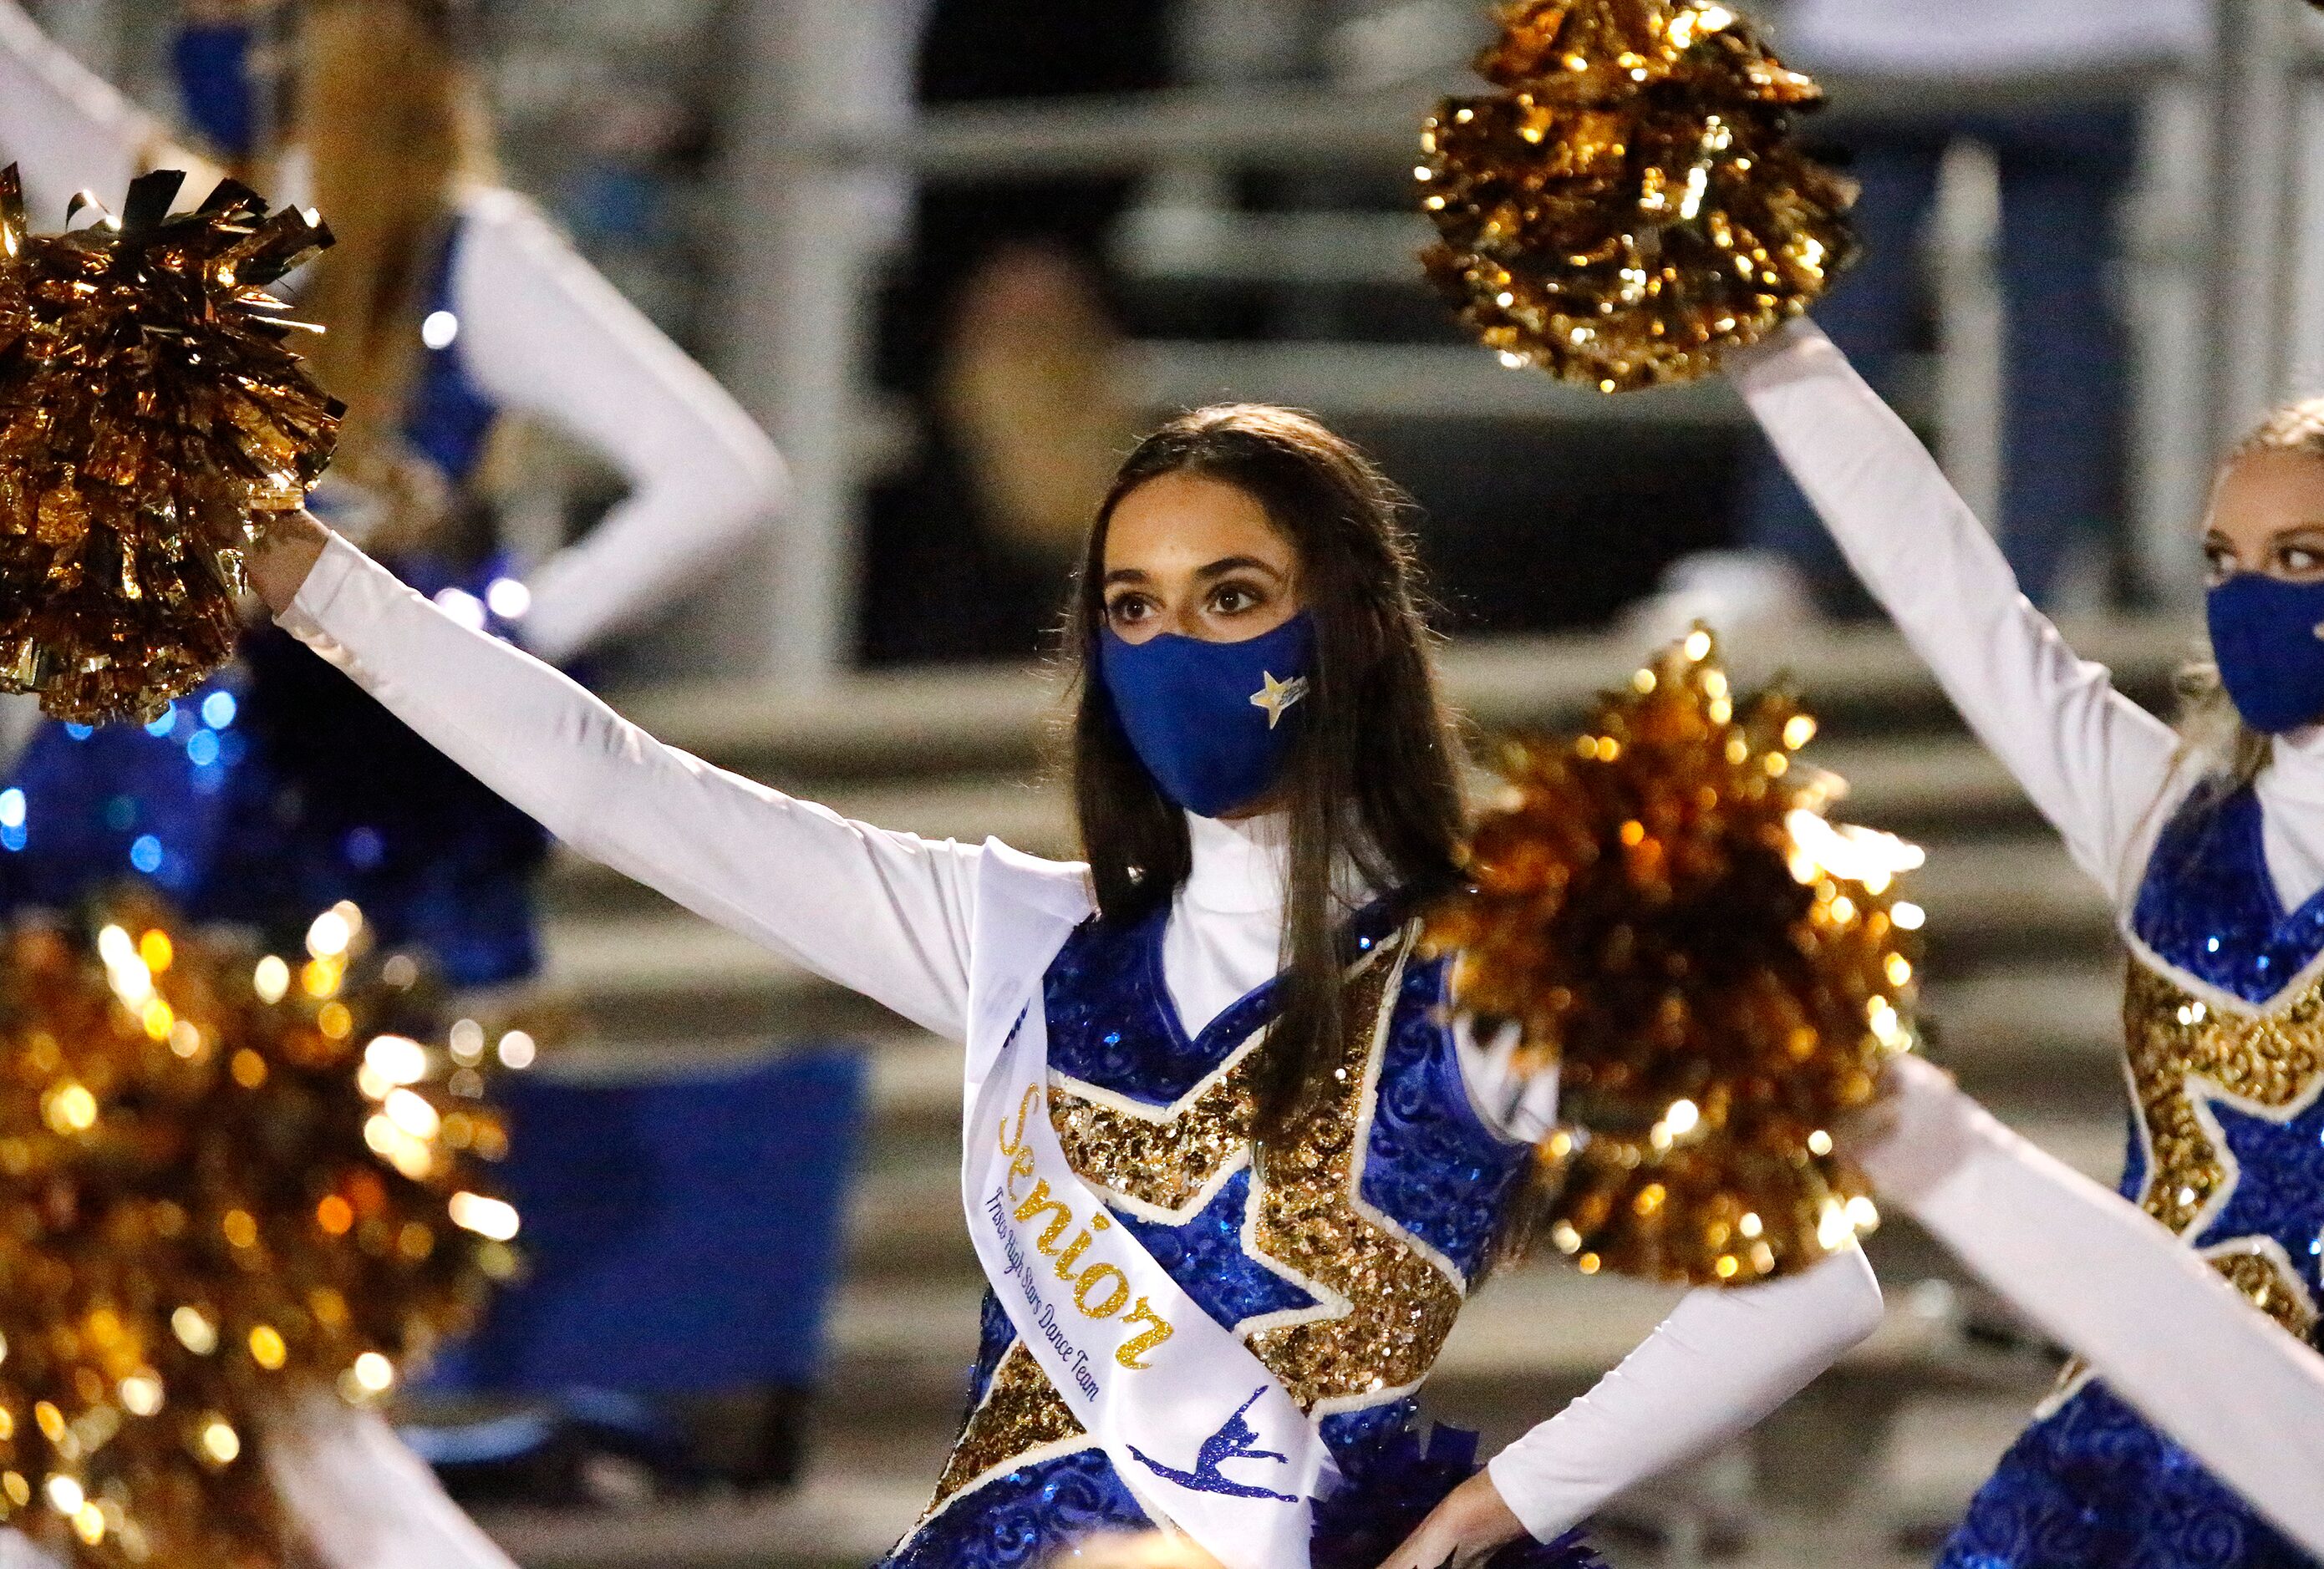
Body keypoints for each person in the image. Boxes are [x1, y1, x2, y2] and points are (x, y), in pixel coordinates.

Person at [245, 404, 1891, 1568]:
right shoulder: (1012, 934)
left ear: (1354, 634)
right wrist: (295, 571)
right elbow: (609, 782)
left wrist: (1497, 1509)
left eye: (1230, 600)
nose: (1173, 647)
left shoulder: (1491, 975)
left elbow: (1811, 1286)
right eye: (1131, 610)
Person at [0, 0, 785, 987]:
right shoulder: (191, 217)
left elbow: (723, 477)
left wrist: (489, 644)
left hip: (351, 819)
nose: (196, 22)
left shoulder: (462, 249)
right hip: (131, 818)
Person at [1732, 312, 2324, 1567]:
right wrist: (1765, 339)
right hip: (2108, 1456)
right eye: (2223, 562)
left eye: (2302, 558)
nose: (2250, 599)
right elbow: (1955, 597)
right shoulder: (2166, 813)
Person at [1635, 0, 2204, 641]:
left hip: (2028, 41)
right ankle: (1810, 566)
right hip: (1980, 38)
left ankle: (2011, 590)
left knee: (2023, 305)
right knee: (2022, 305)